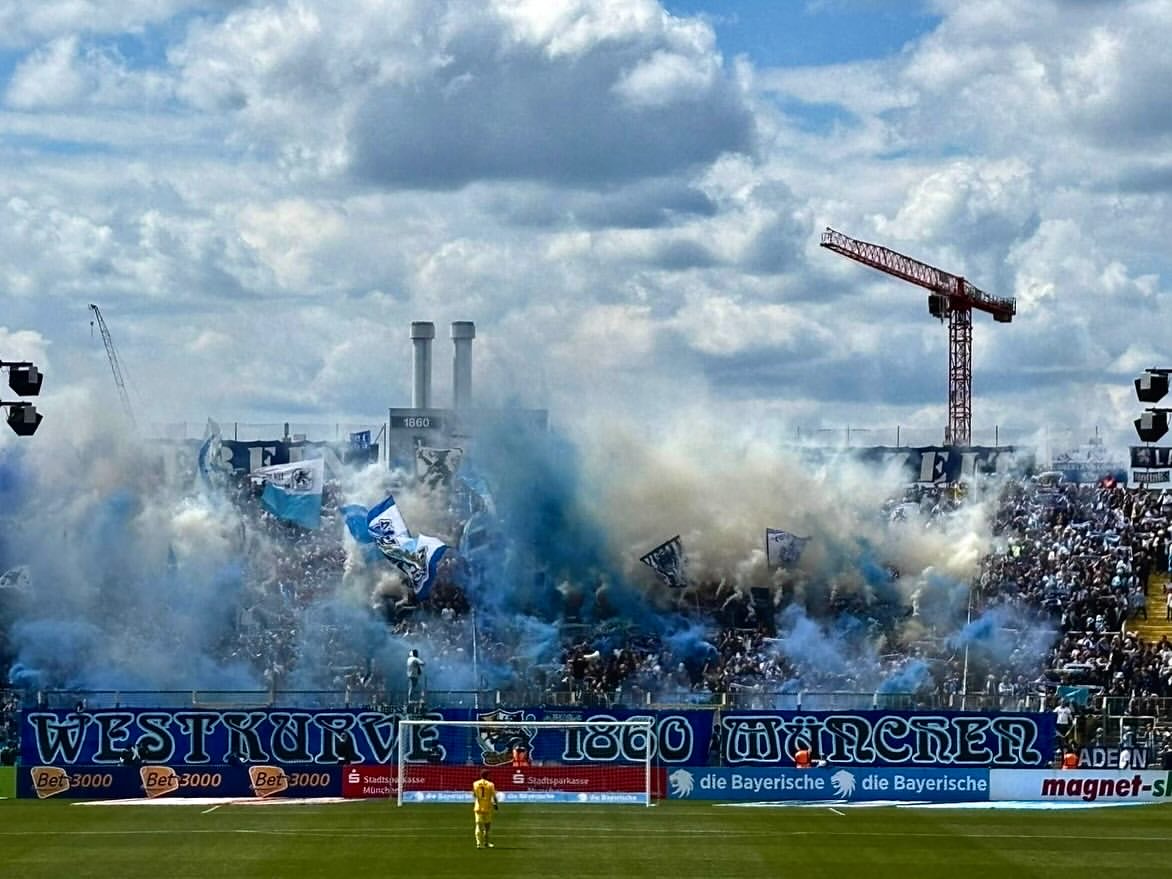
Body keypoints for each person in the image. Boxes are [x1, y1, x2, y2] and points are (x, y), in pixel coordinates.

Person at [472, 769, 499, 849]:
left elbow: (474, 795)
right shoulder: (491, 784)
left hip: (478, 807)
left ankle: (478, 843)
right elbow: (494, 796)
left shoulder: (475, 783)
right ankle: (486, 843)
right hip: (487, 807)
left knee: (478, 825)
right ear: (487, 776)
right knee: (487, 827)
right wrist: (496, 804)